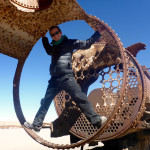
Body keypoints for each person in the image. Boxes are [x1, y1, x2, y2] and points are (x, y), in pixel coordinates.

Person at [24, 26, 107, 132]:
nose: (55, 36)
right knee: (45, 102)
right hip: (54, 80)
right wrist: (44, 38)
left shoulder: (69, 42)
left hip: (67, 77)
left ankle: (96, 120)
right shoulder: (53, 47)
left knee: (80, 98)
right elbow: (48, 51)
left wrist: (98, 33)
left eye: (57, 33)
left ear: (60, 32)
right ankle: (36, 125)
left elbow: (86, 44)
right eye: (52, 35)